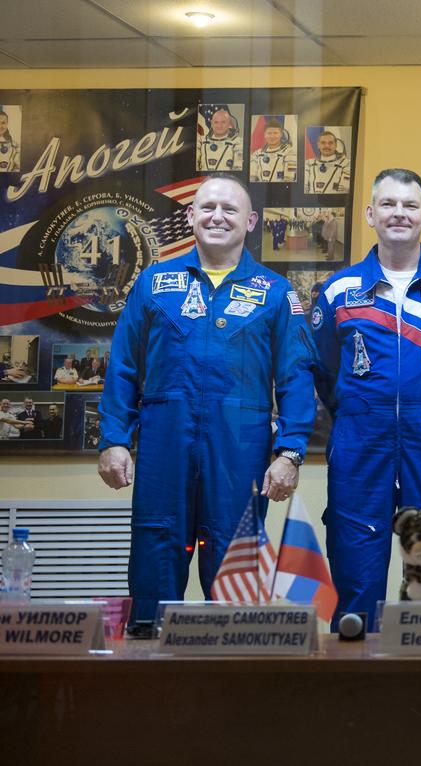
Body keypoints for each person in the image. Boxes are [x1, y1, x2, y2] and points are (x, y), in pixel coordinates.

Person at [98, 173, 317, 632]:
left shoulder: (276, 293)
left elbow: (297, 379)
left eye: (230, 209)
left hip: (241, 447)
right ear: (191, 215)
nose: (218, 216)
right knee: (156, 550)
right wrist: (114, 439)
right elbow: (122, 366)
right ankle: (145, 668)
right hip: (164, 445)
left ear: (251, 221)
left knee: (234, 557)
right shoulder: (155, 284)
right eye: (208, 208)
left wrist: (290, 452)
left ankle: (233, 674)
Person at [312, 168, 421, 630]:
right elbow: (324, 371)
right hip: (359, 442)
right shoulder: (339, 290)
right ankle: (356, 694)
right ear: (371, 213)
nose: (399, 214)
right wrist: (357, 414)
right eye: (388, 204)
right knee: (355, 570)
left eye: (410, 206)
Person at [250, 118, 296, 183]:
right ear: (264, 135)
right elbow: (252, 178)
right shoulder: (257, 154)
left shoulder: (290, 153)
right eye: (269, 133)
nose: (272, 136)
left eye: (275, 133)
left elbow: (290, 179)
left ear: (281, 134)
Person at [197, 107, 242, 171]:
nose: (219, 126)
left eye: (223, 122)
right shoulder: (201, 141)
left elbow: (238, 169)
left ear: (229, 124)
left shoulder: (238, 142)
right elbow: (194, 165)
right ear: (211, 123)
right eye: (216, 122)